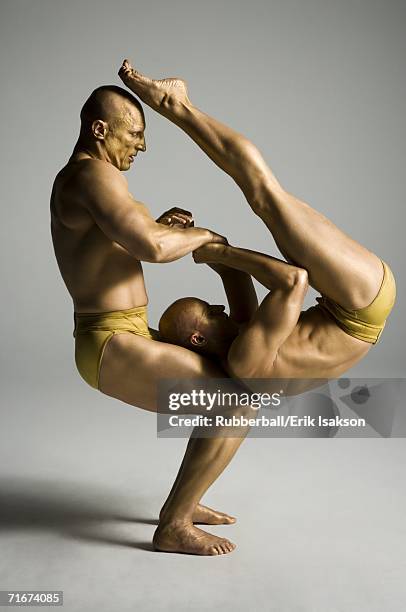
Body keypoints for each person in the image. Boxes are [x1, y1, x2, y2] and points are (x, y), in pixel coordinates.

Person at [51, 81, 259, 556]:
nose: (142, 145)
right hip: (109, 341)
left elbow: (120, 243)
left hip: (120, 331)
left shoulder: (85, 180)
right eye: (135, 134)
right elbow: (151, 247)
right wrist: (207, 238)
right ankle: (174, 524)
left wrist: (161, 225)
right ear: (99, 129)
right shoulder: (92, 177)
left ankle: (188, 499)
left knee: (229, 396)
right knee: (235, 402)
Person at [117, 61, 396, 390]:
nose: (218, 306)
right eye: (208, 311)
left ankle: (177, 104)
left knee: (264, 195)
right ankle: (175, 103)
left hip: (354, 304)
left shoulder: (241, 341)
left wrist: (194, 240)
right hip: (360, 300)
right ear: (197, 338)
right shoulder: (245, 360)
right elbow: (294, 281)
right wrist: (220, 251)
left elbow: (232, 271)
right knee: (263, 193)